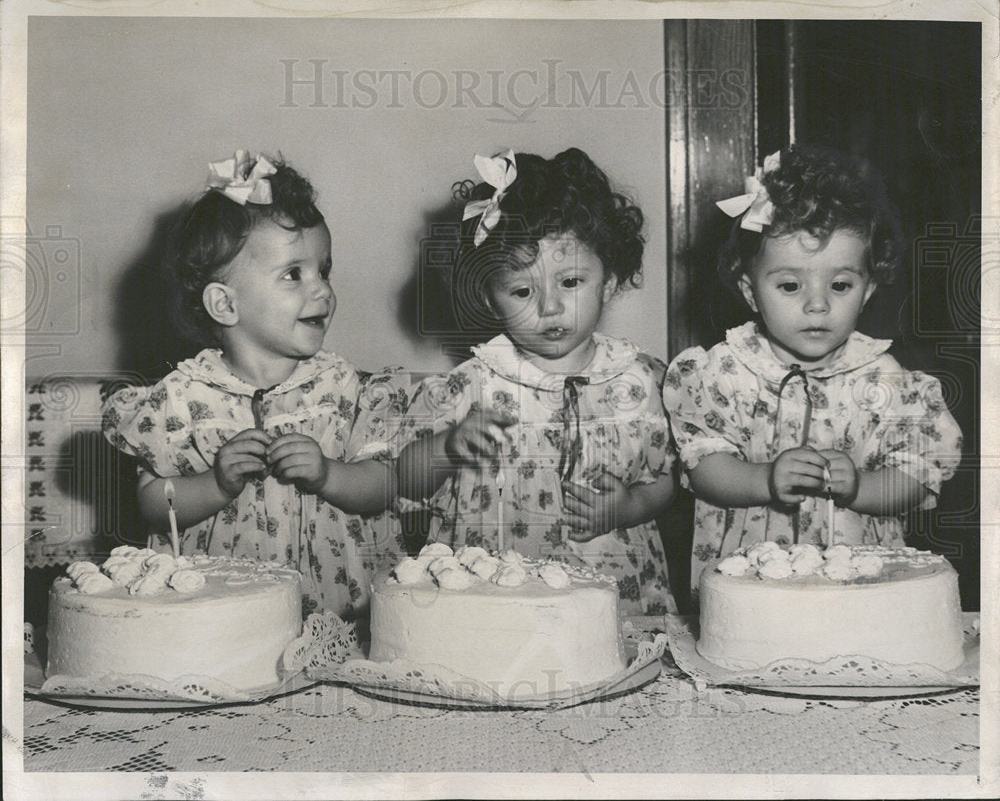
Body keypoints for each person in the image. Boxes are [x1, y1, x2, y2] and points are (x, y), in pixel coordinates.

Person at [103, 150, 409, 618]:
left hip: (335, 604)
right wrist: (216, 483)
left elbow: (384, 485)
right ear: (224, 305)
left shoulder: (345, 388)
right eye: (294, 274)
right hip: (221, 606)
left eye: (323, 269)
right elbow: (152, 503)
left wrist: (331, 474)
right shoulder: (181, 398)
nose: (322, 289)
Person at [662, 145, 963, 591]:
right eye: (790, 285)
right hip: (751, 583)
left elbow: (917, 476)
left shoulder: (885, 379)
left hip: (857, 581)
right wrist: (762, 478)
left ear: (867, 290)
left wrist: (863, 487)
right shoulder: (723, 372)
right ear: (750, 292)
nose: (818, 304)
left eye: (840, 284)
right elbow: (703, 465)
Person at [396, 148, 677, 615]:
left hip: (609, 592)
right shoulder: (472, 386)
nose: (549, 308)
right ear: (489, 299)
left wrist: (630, 507)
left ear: (608, 281)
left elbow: (667, 478)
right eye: (523, 291)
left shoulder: (641, 381)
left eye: (570, 282)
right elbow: (405, 477)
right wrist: (447, 447)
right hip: (493, 600)